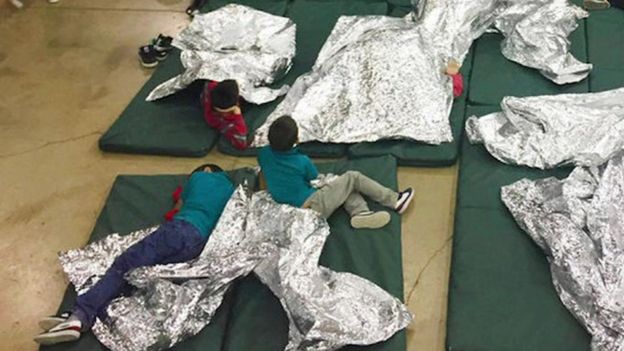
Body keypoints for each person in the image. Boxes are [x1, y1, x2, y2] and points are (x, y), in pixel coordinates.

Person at [34, 164, 235, 346]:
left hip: (179, 230)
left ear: (206, 169)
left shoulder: (200, 177)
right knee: (141, 275)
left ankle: (79, 316)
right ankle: (96, 313)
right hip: (198, 246)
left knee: (122, 266)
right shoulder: (230, 190)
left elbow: (177, 208)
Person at [257, 116, 415, 229]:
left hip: (288, 208)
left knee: (342, 185)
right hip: (311, 208)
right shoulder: (301, 161)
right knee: (353, 178)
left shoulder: (263, 154)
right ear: (296, 140)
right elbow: (313, 177)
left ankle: (360, 212)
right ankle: (395, 200)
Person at [202, 80, 250, 150]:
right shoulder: (225, 122)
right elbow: (241, 143)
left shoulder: (209, 88)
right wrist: (238, 116)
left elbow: (211, 85)